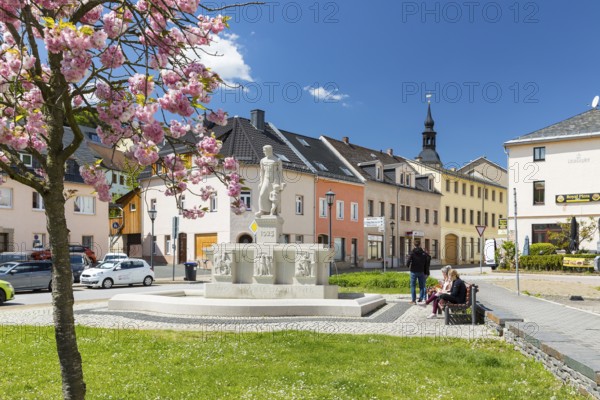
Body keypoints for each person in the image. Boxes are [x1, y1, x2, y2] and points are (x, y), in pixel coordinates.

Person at [255, 145, 284, 218]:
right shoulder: (262, 160)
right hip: (266, 179)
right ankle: (262, 211)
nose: (263, 152)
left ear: (269, 150)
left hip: (275, 179)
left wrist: (282, 182)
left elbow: (280, 172)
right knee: (262, 194)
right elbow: (261, 172)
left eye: (264, 150)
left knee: (275, 196)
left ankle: (275, 212)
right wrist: (261, 182)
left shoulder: (277, 160)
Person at [406, 240, 428, 304]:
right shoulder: (423, 253)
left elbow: (408, 260)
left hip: (413, 271)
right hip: (421, 271)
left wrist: (407, 265)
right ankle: (421, 299)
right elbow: (426, 263)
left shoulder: (412, 252)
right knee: (422, 286)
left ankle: (413, 300)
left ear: (414, 244)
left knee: (413, 286)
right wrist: (425, 271)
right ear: (420, 244)